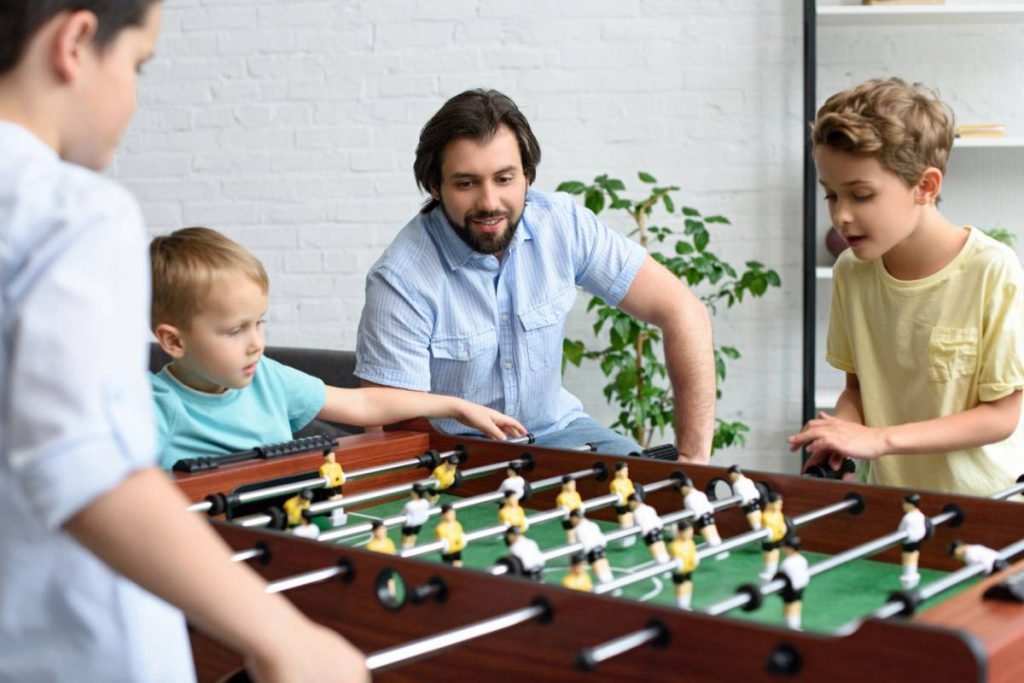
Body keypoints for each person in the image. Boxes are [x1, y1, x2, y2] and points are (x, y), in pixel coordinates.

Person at [0, 2, 367, 681]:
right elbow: (91, 472)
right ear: (75, 43)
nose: (136, 96)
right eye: (138, 64)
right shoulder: (68, 210)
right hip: (79, 647)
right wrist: (285, 637)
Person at [356, 88, 715, 461]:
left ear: (527, 176)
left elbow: (684, 312)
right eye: (466, 183)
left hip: (562, 432)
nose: (489, 202)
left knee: (669, 496)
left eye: (504, 179)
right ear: (435, 186)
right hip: (459, 453)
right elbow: (393, 429)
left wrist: (695, 461)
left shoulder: (563, 224)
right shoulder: (400, 280)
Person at [789, 77, 1024, 497]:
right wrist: (842, 431)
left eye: (860, 195)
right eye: (831, 195)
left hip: (992, 510)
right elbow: (858, 389)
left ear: (926, 187)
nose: (840, 216)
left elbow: (1001, 416)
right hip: (893, 504)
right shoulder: (852, 271)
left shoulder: (993, 270)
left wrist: (879, 440)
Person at [149, 227, 527, 468]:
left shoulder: (267, 378)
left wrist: (455, 406)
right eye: (235, 331)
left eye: (259, 323)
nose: (256, 344)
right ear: (174, 341)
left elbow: (365, 405)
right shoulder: (151, 406)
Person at [898, 493, 929, 589]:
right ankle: (912, 580)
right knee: (913, 560)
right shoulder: (920, 515)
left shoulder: (908, 517)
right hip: (918, 540)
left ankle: (908, 583)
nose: (903, 506)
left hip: (909, 542)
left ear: (910, 505)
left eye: (904, 504)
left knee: (908, 562)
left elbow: (901, 530)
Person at [627, 493, 669, 564]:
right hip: (657, 531)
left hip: (649, 534)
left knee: (656, 552)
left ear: (634, 501)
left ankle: (663, 567)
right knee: (661, 549)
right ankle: (666, 564)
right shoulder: (649, 508)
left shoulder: (637, 512)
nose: (629, 505)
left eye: (630, 503)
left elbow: (638, 525)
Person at [779, 536, 810, 631]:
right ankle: (795, 626)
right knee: (797, 605)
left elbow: (782, 575)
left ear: (790, 548)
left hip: (791, 588)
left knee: (789, 608)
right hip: (801, 586)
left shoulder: (786, 563)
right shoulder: (803, 559)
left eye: (786, 547)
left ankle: (791, 628)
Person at [668, 522, 699, 609]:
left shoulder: (691, 543)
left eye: (691, 532)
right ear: (680, 532)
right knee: (680, 585)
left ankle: (686, 603)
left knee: (688, 584)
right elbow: (672, 557)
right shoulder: (674, 545)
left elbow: (693, 552)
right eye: (687, 532)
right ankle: (680, 604)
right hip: (680, 570)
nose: (690, 534)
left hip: (688, 568)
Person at [727, 464, 763, 530]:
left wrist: (741, 503)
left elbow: (740, 500)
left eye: (730, 476)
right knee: (759, 521)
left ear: (733, 474)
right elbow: (756, 494)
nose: (731, 478)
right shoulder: (749, 480)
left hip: (748, 507)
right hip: (756, 503)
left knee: (756, 525)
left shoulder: (736, 485)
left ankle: (759, 534)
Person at [400, 483, 431, 548]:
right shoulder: (425, 502)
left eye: (412, 492)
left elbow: (402, 513)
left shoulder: (410, 505)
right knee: (414, 537)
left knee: (406, 539)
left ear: (415, 494)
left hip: (410, 524)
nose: (411, 493)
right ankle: (411, 549)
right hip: (420, 522)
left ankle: (404, 552)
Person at [556, 475, 583, 544]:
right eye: (571, 484)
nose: (574, 486)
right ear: (564, 485)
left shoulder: (576, 494)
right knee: (571, 532)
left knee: (579, 531)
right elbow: (565, 508)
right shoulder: (561, 497)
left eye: (574, 484)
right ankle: (571, 546)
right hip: (568, 518)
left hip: (577, 516)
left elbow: (578, 503)